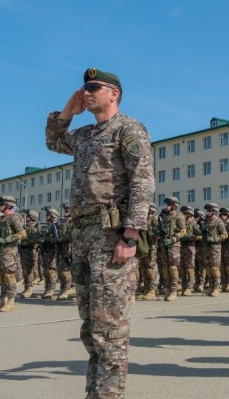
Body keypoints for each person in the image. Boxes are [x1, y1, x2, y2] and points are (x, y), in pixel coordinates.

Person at [46, 67, 154, 398]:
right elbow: (53, 141)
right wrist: (67, 112)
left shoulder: (128, 129)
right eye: (84, 87)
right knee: (91, 327)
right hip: (82, 236)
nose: (86, 92)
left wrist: (130, 236)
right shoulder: (84, 136)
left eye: (94, 87)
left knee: (110, 327)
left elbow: (143, 181)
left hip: (111, 237)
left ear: (114, 93)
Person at [0, 196, 26, 312]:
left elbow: (22, 233)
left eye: (2, 204)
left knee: (9, 276)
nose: (0, 206)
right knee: (2, 277)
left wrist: (6, 240)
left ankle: (11, 300)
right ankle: (3, 300)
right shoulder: (2, 219)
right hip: (0, 252)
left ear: (8, 205)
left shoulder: (14, 218)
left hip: (9, 252)